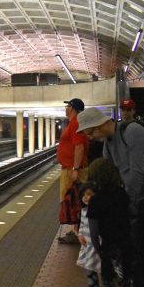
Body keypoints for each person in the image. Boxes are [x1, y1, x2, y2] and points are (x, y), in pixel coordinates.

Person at [76, 107, 144, 287]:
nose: (90, 137)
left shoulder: (133, 133)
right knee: (138, 254)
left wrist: (124, 204)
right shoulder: (109, 145)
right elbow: (110, 177)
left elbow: (138, 172)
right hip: (137, 202)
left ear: (102, 124)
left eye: (91, 131)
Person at [81, 161, 144, 287]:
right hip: (126, 243)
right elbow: (132, 213)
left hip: (109, 247)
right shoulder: (121, 193)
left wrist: (98, 248)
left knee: (109, 280)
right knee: (127, 279)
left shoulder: (96, 200)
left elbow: (94, 229)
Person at [56, 98, 89, 243]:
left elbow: (79, 146)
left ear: (73, 108)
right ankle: (77, 231)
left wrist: (75, 169)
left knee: (75, 200)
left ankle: (79, 233)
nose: (65, 108)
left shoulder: (76, 122)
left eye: (67, 105)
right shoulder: (74, 122)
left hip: (73, 169)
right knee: (74, 201)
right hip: (70, 168)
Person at [75, 181, 100, 287]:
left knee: (100, 271)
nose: (86, 197)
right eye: (84, 195)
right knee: (89, 269)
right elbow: (82, 225)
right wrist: (80, 235)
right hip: (87, 246)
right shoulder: (84, 210)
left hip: (96, 246)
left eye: (90, 194)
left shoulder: (98, 211)